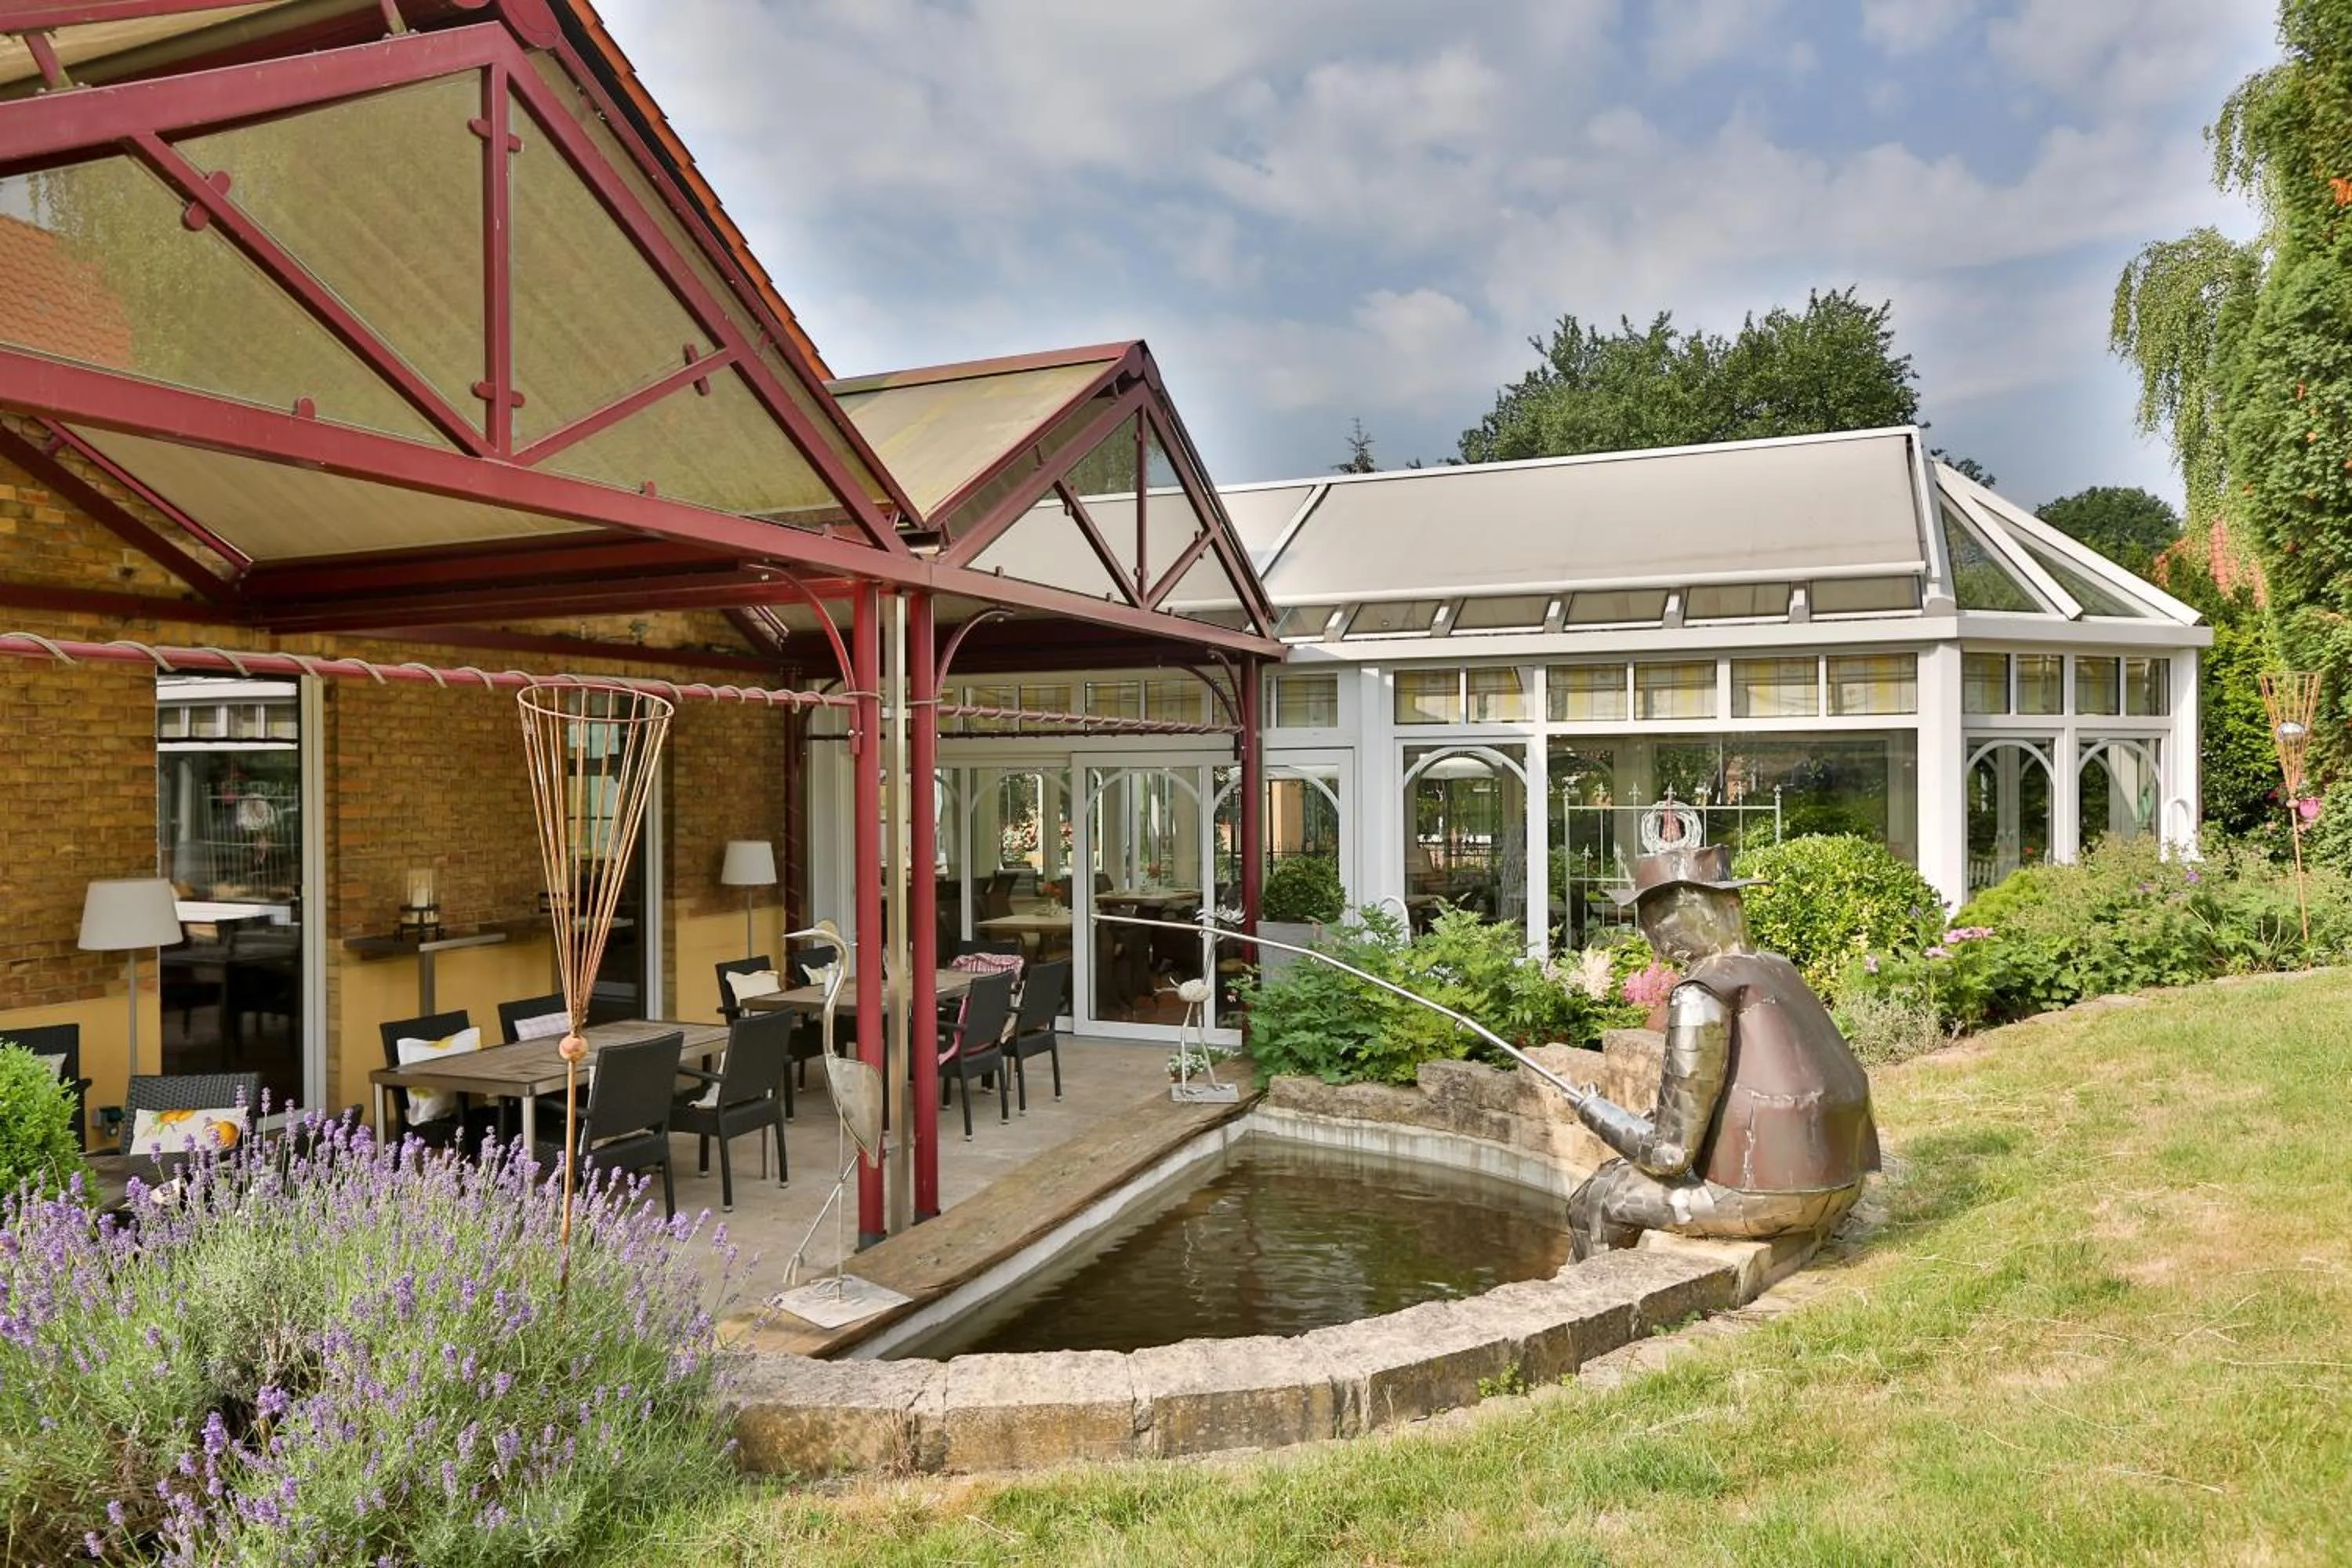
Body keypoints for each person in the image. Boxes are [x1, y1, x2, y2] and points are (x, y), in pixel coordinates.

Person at [1567, 843, 1878, 1258]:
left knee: (1598, 1196)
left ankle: (1598, 1296)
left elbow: (1669, 1153)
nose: (1652, 930)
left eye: (1659, 914)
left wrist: (1595, 1111)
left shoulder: (1701, 992)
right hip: (1845, 1182)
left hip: (1772, 1197)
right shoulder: (1777, 968)